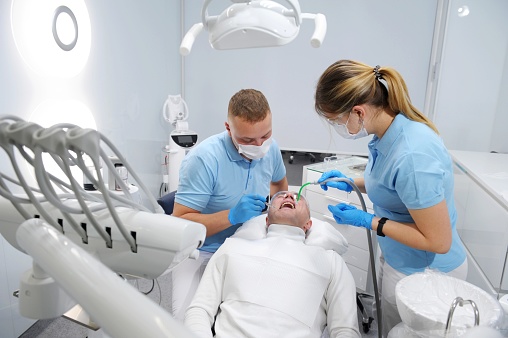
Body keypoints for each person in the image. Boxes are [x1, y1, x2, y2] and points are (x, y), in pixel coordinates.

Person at [313, 60, 467, 337]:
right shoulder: (387, 134)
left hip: (426, 272)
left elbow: (439, 241)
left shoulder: (413, 155)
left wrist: (368, 220)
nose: (337, 126)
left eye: (336, 120)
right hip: (399, 256)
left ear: (358, 111)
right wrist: (351, 183)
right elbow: (393, 185)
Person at [171, 88, 288, 321]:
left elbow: (279, 184)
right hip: (201, 251)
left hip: (247, 246)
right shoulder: (204, 159)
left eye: (265, 136)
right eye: (247, 139)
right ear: (228, 128)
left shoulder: (271, 148)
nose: (258, 145)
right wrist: (232, 216)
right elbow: (181, 222)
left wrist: (275, 211)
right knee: (186, 322)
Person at [184, 191, 361, 338]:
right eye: (282, 195)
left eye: (298, 198)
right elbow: (200, 309)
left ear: (308, 224)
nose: (290, 196)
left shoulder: (330, 261)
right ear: (266, 220)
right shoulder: (233, 247)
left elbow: (345, 330)